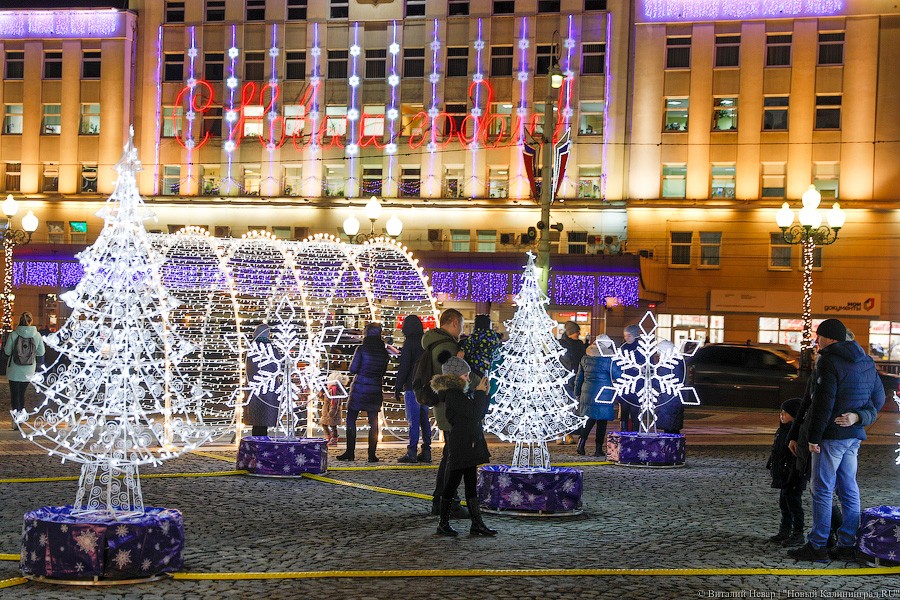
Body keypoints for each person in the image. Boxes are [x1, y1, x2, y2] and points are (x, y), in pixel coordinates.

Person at [787, 318, 885, 562]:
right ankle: (846, 544)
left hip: (831, 437)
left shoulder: (829, 361)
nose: (816, 341)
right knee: (849, 490)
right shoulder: (866, 361)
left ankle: (818, 545)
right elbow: (879, 400)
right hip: (852, 436)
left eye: (818, 336)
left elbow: (823, 403)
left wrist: (813, 438)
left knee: (822, 490)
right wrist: (858, 417)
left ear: (828, 338)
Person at [431, 356, 496, 537]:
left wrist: (484, 394)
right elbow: (474, 414)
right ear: (456, 377)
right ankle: (443, 524)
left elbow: (478, 411)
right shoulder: (453, 394)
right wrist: (481, 393)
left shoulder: (459, 394)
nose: (468, 378)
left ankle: (476, 523)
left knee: (469, 484)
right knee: (452, 483)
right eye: (466, 375)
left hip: (467, 442)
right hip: (461, 444)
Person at [422, 308, 466, 516]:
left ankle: (441, 500)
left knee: (450, 455)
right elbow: (452, 380)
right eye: (462, 325)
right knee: (453, 457)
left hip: (443, 406)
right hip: (450, 407)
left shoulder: (433, 341)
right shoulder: (447, 345)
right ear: (455, 323)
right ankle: (446, 502)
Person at [338, 322, 390, 463]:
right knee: (373, 422)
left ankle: (350, 452)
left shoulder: (361, 349)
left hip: (360, 388)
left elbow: (353, 369)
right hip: (375, 389)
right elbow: (383, 371)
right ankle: (372, 454)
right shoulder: (383, 351)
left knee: (351, 420)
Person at [766, 397, 807, 547]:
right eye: (781, 412)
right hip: (783, 474)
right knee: (784, 503)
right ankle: (785, 529)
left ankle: (798, 533)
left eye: (786, 413)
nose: (781, 415)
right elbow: (776, 451)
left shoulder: (797, 433)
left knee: (794, 503)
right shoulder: (781, 430)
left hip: (794, 475)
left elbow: (796, 456)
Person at [394, 315, 432, 463]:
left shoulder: (409, 342)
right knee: (424, 419)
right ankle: (427, 450)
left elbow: (404, 366)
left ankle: (412, 451)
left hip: (411, 385)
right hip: (425, 386)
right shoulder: (425, 342)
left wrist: (398, 386)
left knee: (413, 420)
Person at [574, 335, 616, 457]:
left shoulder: (585, 358)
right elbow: (618, 374)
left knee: (589, 420)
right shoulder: (609, 359)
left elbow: (579, 378)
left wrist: (577, 393)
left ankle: (581, 444)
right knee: (602, 422)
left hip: (587, 393)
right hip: (604, 393)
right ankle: (598, 449)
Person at [5, 312, 45, 430]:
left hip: (14, 369)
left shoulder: (14, 334)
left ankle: (15, 419)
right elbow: (41, 352)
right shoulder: (36, 335)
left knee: (14, 394)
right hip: (28, 369)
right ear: (31, 321)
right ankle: (21, 417)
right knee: (22, 394)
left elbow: (7, 351)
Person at [244, 323, 278, 437]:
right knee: (264, 417)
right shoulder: (270, 347)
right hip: (268, 387)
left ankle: (256, 440)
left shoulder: (251, 347)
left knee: (256, 419)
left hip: (254, 387)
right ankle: (263, 441)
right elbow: (277, 364)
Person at [558, 321, 587, 444]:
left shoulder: (580, 344)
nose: (578, 333)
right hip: (565, 378)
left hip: (576, 377)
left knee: (573, 407)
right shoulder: (561, 344)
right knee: (564, 405)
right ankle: (562, 434)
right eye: (576, 331)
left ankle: (569, 433)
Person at [654, 340, 686, 434]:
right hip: (674, 399)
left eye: (659, 353)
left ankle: (671, 447)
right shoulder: (678, 361)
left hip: (668, 400)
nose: (658, 356)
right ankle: (675, 446)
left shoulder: (667, 365)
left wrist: (649, 378)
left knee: (670, 430)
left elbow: (660, 382)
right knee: (673, 428)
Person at [461, 314, 502, 381]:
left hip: (475, 368)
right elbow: (497, 356)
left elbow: (466, 351)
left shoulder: (475, 336)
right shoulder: (494, 338)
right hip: (487, 369)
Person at [618, 324, 642, 432]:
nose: (626, 338)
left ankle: (635, 432)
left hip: (638, 383)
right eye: (625, 336)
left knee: (635, 410)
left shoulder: (641, 348)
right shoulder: (623, 347)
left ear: (635, 335)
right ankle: (624, 432)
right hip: (625, 382)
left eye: (629, 335)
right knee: (624, 409)